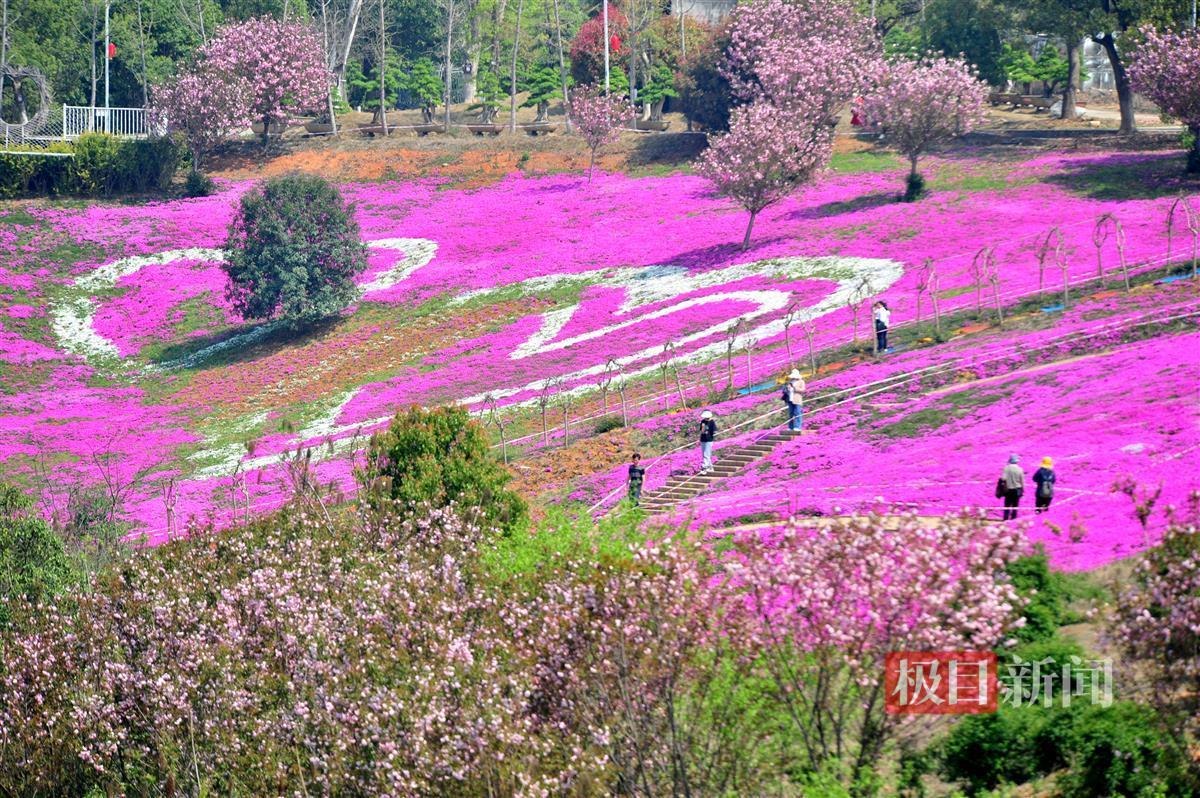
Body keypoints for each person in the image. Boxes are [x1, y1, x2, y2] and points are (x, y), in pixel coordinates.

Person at [1000, 454, 1025, 520]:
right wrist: (1023, 490)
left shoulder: (1006, 468)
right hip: (1017, 490)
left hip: (1008, 490)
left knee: (1007, 505)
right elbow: (1022, 481)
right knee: (1015, 506)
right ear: (1017, 461)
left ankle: (1005, 518)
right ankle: (1013, 519)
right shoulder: (1020, 469)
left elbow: (1003, 478)